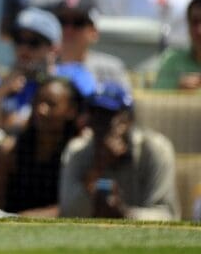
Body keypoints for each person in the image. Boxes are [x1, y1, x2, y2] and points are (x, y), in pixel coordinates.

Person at [59, 83, 180, 220]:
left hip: (141, 239)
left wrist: (125, 214)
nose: (99, 122)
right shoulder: (77, 150)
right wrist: (98, 166)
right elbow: (69, 212)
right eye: (94, 114)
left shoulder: (155, 150)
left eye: (107, 115)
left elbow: (167, 215)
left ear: (128, 120)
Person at [0, 7, 96, 133]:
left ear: (55, 48)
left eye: (34, 42)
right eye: (19, 40)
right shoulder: (1, 83)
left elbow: (89, 121)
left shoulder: (76, 77)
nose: (24, 48)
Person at [0, 76, 83, 217]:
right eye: (37, 101)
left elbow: (74, 208)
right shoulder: (10, 151)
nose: (41, 109)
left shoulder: (78, 153)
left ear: (71, 111)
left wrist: (24, 218)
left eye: (51, 104)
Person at [54, 3, 131, 89]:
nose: (69, 30)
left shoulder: (110, 69)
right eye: (63, 22)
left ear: (94, 32)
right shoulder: (46, 67)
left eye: (79, 23)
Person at [153, 0, 201, 90]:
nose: (199, 30)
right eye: (194, 22)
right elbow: (156, 98)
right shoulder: (172, 61)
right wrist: (176, 88)